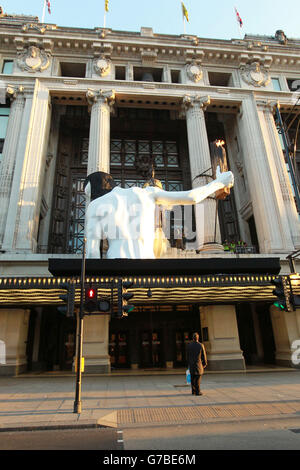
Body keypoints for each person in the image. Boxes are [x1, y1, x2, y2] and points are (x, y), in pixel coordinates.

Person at [84, 165, 234, 259]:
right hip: (149, 269)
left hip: (116, 269)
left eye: (87, 195)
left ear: (91, 188)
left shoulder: (96, 205)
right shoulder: (146, 193)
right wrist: (219, 182)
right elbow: (192, 197)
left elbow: (92, 254)